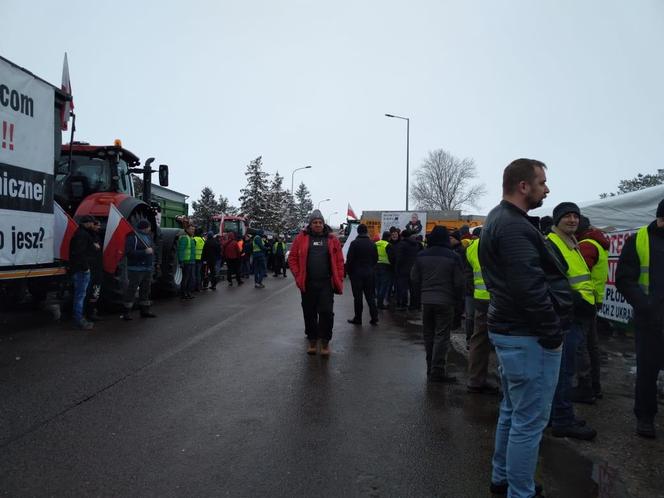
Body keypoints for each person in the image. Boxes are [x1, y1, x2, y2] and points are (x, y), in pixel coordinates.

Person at [480, 158, 572, 498]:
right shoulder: (514, 226)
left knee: (512, 411)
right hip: (528, 336)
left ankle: (502, 479)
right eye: (542, 182)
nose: (546, 188)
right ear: (523, 186)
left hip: (512, 331)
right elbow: (529, 288)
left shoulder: (500, 218)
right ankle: (520, 491)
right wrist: (552, 334)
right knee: (529, 421)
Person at [547, 202, 597, 440]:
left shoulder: (571, 242)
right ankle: (562, 419)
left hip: (577, 315)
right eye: (567, 216)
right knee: (564, 371)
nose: (572, 220)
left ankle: (557, 414)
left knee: (564, 370)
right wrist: (581, 303)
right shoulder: (553, 243)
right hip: (568, 317)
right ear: (557, 220)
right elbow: (555, 283)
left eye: (575, 216)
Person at [616, 198, 664, 439]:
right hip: (650, 319)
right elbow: (624, 278)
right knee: (647, 371)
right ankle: (645, 417)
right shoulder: (640, 240)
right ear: (660, 218)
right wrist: (644, 305)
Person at [410, 225, 463, 382]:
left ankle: (429, 368)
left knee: (428, 334)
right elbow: (459, 283)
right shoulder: (453, 256)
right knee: (441, 335)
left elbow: (414, 279)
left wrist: (421, 294)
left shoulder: (421, 255)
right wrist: (458, 304)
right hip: (446, 302)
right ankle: (437, 371)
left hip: (426, 301)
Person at [288, 209, 344, 356]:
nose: (317, 225)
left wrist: (340, 277)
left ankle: (325, 342)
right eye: (315, 222)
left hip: (326, 284)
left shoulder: (332, 239)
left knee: (326, 313)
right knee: (309, 313)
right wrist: (298, 275)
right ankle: (312, 340)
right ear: (310, 224)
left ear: (323, 223)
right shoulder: (301, 238)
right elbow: (292, 257)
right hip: (308, 283)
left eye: (320, 222)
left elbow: (339, 261)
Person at [576, 215, 610, 400]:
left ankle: (585, 386)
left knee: (582, 345)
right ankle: (594, 386)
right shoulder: (598, 242)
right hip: (594, 299)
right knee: (592, 344)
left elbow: (580, 271)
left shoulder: (587, 245)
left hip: (584, 300)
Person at [465, 230, 499, 394]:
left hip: (480, 297)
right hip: (500, 297)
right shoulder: (499, 243)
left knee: (479, 338)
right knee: (506, 340)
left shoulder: (472, 247)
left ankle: (475, 379)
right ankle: (507, 383)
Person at [122, 219, 157, 320]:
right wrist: (144, 252)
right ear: (144, 227)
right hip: (136, 269)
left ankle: (144, 311)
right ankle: (126, 312)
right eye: (148, 227)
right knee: (132, 290)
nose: (150, 229)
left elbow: (152, 249)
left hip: (147, 268)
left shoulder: (148, 237)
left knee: (145, 290)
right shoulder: (133, 237)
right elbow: (129, 252)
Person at [69, 215, 100, 330]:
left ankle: (79, 318)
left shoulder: (81, 233)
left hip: (79, 268)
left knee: (80, 295)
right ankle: (79, 320)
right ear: (87, 223)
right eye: (92, 223)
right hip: (81, 270)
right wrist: (86, 268)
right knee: (80, 295)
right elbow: (80, 253)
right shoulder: (83, 235)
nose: (94, 225)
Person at [345, 223, 379, 326]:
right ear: (366, 232)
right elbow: (375, 259)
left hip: (356, 274)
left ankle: (358, 318)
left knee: (358, 297)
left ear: (358, 232)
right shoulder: (372, 244)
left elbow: (349, 260)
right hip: (369, 273)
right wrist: (370, 268)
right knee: (370, 296)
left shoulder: (354, 243)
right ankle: (374, 317)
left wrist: (349, 272)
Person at [394, 230, 420, 310]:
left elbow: (399, 258)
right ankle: (414, 305)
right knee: (413, 289)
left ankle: (403, 304)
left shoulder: (402, 244)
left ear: (402, 236)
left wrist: (397, 268)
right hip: (414, 269)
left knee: (403, 288)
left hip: (403, 269)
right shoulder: (416, 244)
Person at [85, 219, 104, 322]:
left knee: (95, 291)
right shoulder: (88, 237)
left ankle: (92, 311)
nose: (99, 227)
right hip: (92, 268)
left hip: (97, 268)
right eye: (97, 225)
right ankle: (88, 312)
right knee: (90, 291)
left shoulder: (96, 236)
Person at [374, 231, 394, 309]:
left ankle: (378, 302)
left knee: (378, 285)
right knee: (383, 286)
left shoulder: (376, 243)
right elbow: (391, 258)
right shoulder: (388, 245)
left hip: (376, 266)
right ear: (388, 237)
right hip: (385, 267)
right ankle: (380, 303)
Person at [178, 224, 196, 299]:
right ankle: (183, 294)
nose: (193, 231)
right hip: (186, 262)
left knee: (190, 278)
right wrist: (181, 261)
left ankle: (188, 292)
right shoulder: (185, 238)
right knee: (186, 278)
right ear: (187, 229)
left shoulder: (191, 238)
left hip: (191, 261)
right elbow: (181, 250)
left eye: (193, 229)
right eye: (191, 229)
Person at [193, 228, 206, 292]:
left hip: (194, 259)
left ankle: (194, 287)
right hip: (201, 259)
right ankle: (199, 286)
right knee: (199, 273)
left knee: (194, 273)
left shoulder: (194, 239)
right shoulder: (203, 239)